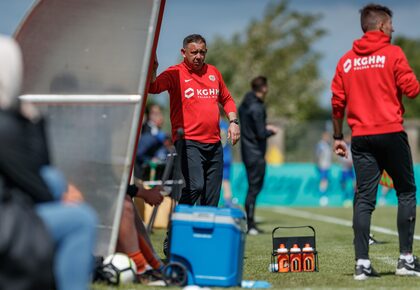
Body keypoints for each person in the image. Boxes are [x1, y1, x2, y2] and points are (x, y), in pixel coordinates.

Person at [0, 35, 97, 290]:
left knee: (54, 181)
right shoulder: (4, 126)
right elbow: (38, 183)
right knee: (81, 219)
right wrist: (33, 121)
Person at [331, 3, 420, 280]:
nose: (393, 29)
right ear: (381, 25)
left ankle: (362, 264)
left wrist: (337, 136)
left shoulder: (346, 60)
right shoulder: (393, 53)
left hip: (361, 137)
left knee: (364, 199)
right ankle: (406, 260)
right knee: (405, 191)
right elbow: (412, 90)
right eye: (391, 24)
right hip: (391, 132)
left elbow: (336, 102)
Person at [149, 34, 240, 207]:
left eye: (202, 52)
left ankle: (204, 233)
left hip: (214, 144)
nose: (199, 56)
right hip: (189, 143)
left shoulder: (213, 72)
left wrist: (234, 122)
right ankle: (176, 230)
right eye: (194, 52)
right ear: (184, 52)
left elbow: (227, 99)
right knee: (195, 187)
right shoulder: (174, 73)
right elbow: (153, 88)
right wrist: (153, 69)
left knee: (212, 197)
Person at [239, 76, 278, 235]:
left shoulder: (244, 104)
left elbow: (253, 127)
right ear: (263, 88)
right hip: (256, 152)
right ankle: (250, 224)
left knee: (252, 188)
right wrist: (271, 130)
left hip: (246, 151)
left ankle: (250, 222)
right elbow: (261, 133)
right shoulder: (257, 107)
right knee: (254, 189)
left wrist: (262, 127)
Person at [135, 103, 170, 178]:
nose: (159, 117)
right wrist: (150, 160)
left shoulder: (160, 132)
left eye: (159, 113)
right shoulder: (146, 131)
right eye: (155, 114)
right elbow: (139, 153)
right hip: (144, 172)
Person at [220, 117, 236, 207]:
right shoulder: (225, 124)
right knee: (226, 181)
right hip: (226, 156)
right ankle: (228, 201)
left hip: (218, 156)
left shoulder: (215, 123)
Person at [315, 132, 332, 207]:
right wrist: (319, 164)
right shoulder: (321, 145)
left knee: (325, 181)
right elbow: (318, 155)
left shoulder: (327, 145)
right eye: (326, 137)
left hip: (327, 166)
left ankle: (324, 195)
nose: (327, 138)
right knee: (323, 180)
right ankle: (322, 196)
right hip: (322, 166)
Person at [339, 135, 355, 207]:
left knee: (353, 184)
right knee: (344, 184)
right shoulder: (342, 146)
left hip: (351, 169)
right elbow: (341, 158)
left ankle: (352, 198)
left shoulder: (352, 146)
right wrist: (347, 162)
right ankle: (345, 198)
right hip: (344, 169)